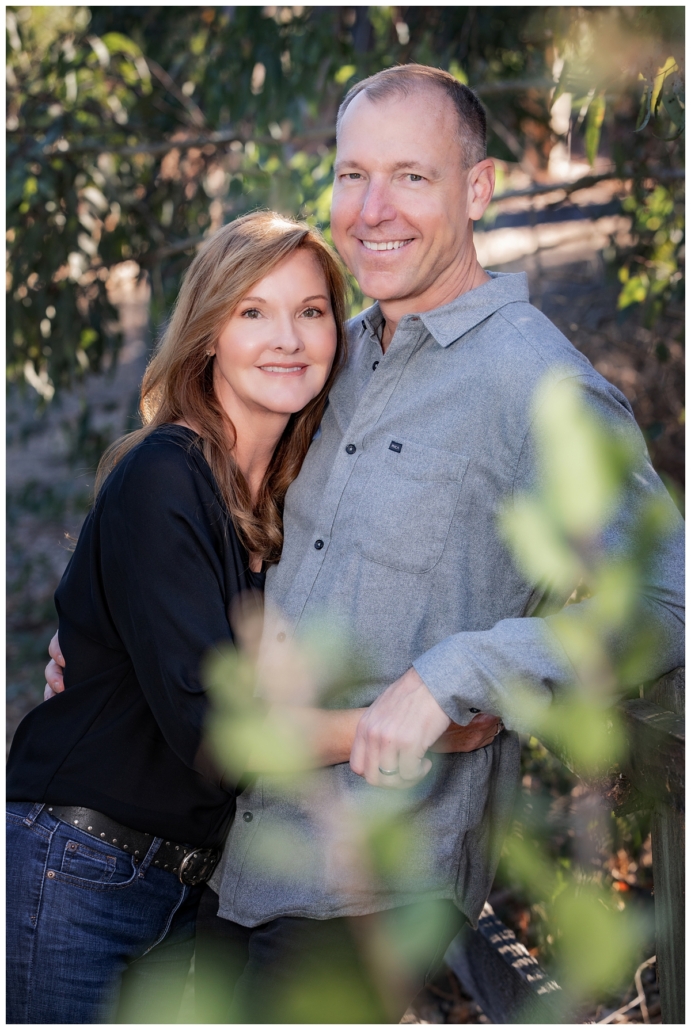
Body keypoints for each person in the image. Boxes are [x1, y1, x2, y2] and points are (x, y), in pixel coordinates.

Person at [45, 65, 684, 1023]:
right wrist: (109, 656)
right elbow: (215, 541)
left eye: (411, 177)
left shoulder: (538, 389)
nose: (372, 208)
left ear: (477, 189)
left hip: (365, 893)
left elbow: (666, 607)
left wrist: (456, 672)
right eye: (352, 175)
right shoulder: (328, 358)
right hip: (231, 872)